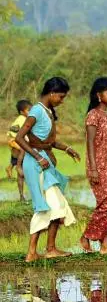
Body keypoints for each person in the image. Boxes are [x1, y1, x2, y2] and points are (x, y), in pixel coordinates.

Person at [15, 77, 80, 262]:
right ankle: (34, 252)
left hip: (43, 162)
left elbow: (48, 141)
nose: (62, 100)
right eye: (61, 96)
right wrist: (38, 157)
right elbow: (20, 138)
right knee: (48, 206)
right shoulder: (36, 110)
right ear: (51, 93)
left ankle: (47, 249)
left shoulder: (46, 111)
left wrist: (67, 149)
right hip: (36, 164)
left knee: (55, 206)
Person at [80, 77, 107, 255]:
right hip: (98, 167)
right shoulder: (93, 115)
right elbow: (90, 143)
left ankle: (105, 246)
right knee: (104, 205)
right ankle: (86, 236)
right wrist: (93, 169)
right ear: (99, 95)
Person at [8, 99, 31, 201]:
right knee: (22, 152)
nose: (30, 112)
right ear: (22, 112)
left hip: (14, 142)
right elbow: (19, 133)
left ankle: (22, 196)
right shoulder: (22, 119)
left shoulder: (22, 119)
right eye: (28, 110)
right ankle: (17, 166)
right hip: (15, 141)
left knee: (20, 174)